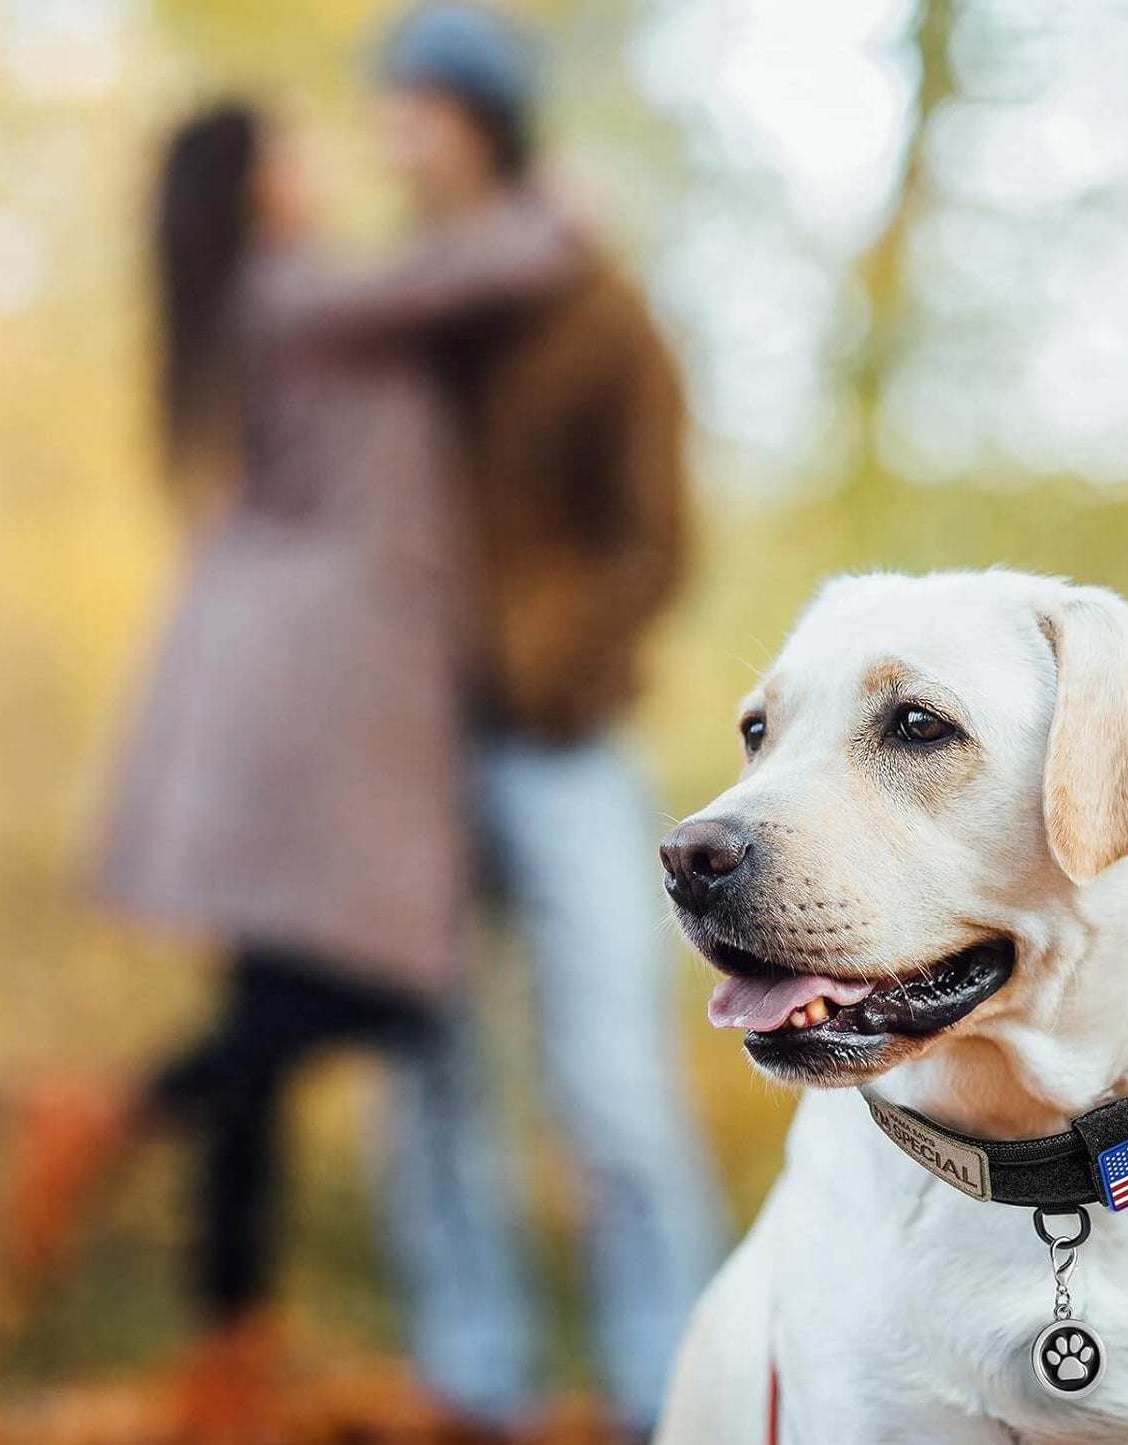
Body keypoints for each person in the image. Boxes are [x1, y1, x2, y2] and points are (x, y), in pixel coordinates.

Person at [1, 101, 576, 1438]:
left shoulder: (249, 304)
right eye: (290, 153)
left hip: (273, 677)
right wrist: (556, 205)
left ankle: (225, 1358)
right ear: (252, 186)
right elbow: (483, 267)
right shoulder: (297, 289)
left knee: (266, 1015)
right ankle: (119, 1109)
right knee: (392, 990)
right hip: (318, 683)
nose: (310, 170)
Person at [371, 8, 726, 1442]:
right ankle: (476, 1380)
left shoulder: (598, 304)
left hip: (565, 743)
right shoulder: (398, 310)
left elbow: (659, 535)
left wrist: (550, 665)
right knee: (429, 1081)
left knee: (612, 1080)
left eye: (418, 106)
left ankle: (670, 1382)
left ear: (483, 121)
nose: (393, 134)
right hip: (404, 748)